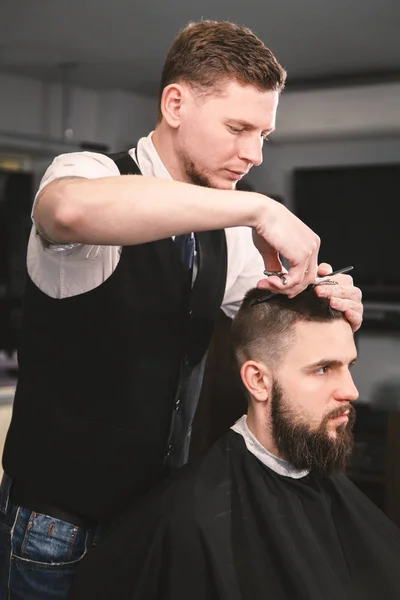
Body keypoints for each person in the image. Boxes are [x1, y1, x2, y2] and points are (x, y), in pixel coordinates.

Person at [0, 20, 363, 599]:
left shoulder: (227, 224)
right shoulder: (88, 173)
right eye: (238, 128)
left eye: (264, 135)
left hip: (157, 517)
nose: (253, 154)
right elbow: (66, 212)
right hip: (58, 528)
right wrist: (258, 210)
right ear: (175, 104)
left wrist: (334, 301)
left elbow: (276, 317)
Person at [69, 287, 400, 600]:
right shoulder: (190, 522)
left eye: (348, 366)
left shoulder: (328, 483)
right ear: (258, 381)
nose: (351, 391)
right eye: (324, 369)